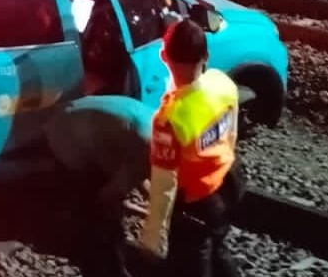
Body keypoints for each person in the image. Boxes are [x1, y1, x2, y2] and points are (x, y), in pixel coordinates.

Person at [138, 19, 245, 277]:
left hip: (198, 201)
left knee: (192, 263)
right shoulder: (222, 83)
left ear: (164, 56)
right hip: (231, 181)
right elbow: (231, 133)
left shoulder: (169, 120)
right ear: (206, 55)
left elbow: (165, 186)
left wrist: (152, 236)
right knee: (217, 247)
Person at [46, 96, 150, 277]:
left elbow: (137, 172)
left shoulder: (159, 131)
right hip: (66, 131)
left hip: (89, 116)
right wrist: (147, 211)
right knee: (95, 204)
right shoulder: (147, 150)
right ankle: (95, 259)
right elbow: (110, 194)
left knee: (110, 179)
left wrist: (148, 203)